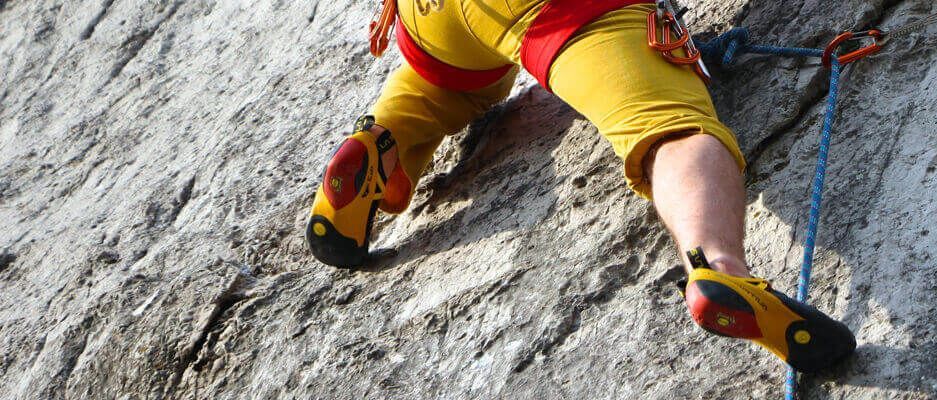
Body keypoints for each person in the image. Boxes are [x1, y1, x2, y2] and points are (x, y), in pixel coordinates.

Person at [303, 0, 854, 373]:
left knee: (451, 85)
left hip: (430, 18)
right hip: (551, 9)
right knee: (668, 126)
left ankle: (386, 138)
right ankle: (718, 267)